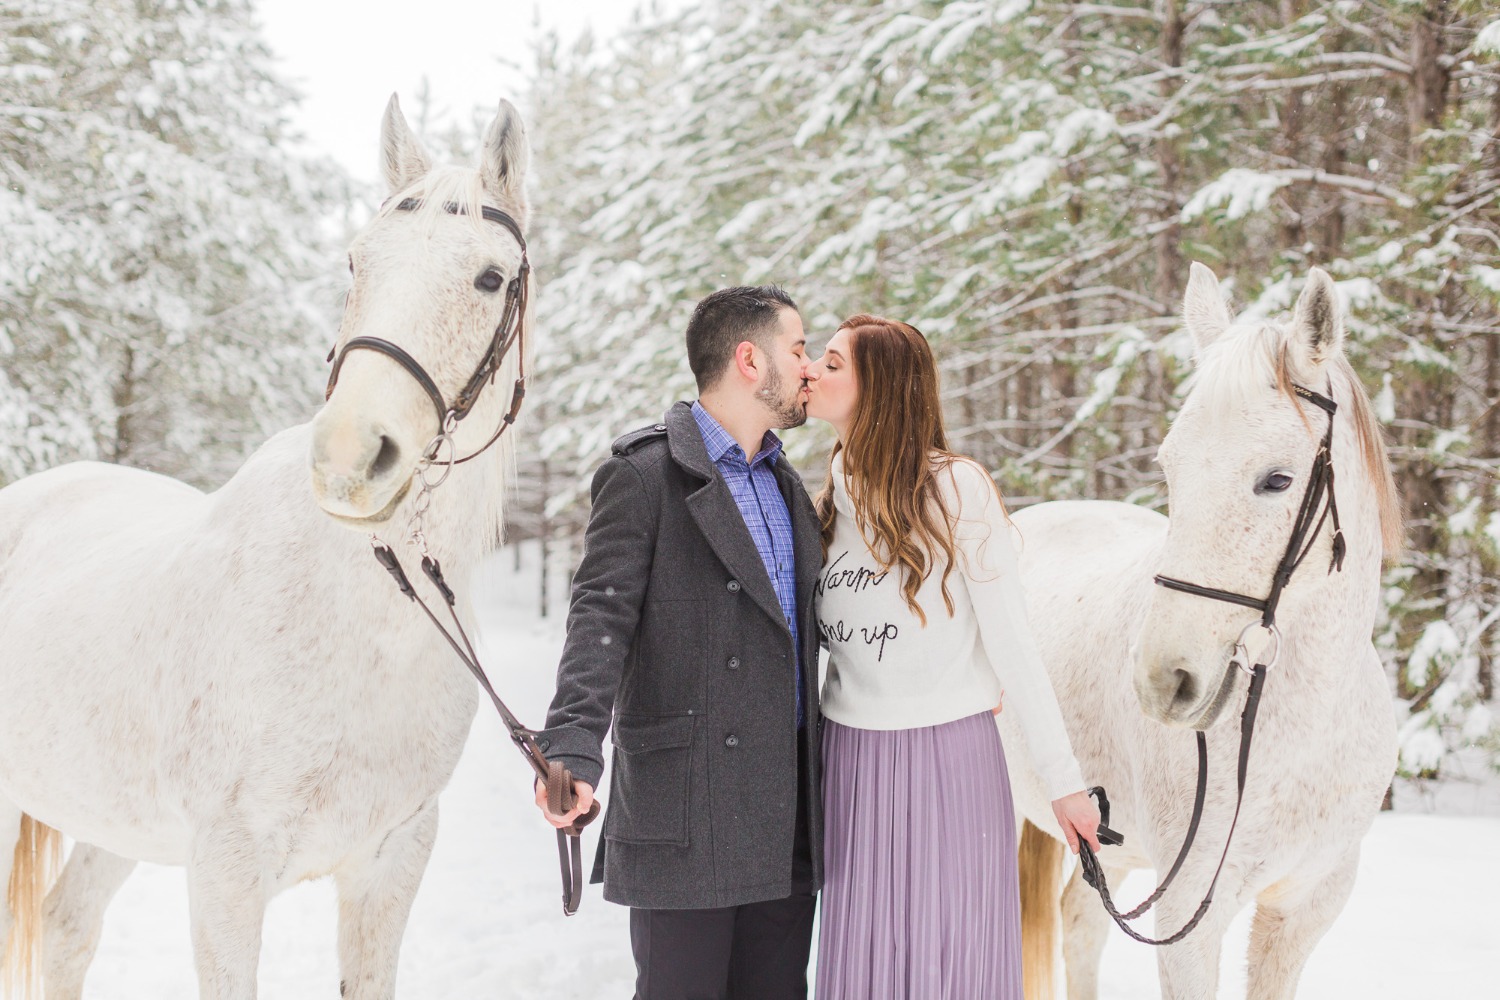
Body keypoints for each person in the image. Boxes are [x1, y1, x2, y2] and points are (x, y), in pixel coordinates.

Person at [534, 285, 824, 1000]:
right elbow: (599, 618)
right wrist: (569, 750)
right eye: (798, 349)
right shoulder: (643, 476)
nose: (810, 366)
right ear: (750, 360)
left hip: (783, 812)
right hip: (686, 805)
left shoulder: (789, 488)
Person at [801, 314, 1100, 999]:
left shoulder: (955, 489)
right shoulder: (821, 503)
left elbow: (1014, 644)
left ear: (880, 390)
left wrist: (1063, 781)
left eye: (834, 362)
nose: (813, 369)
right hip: (852, 765)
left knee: (954, 958)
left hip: (951, 760)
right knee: (868, 962)